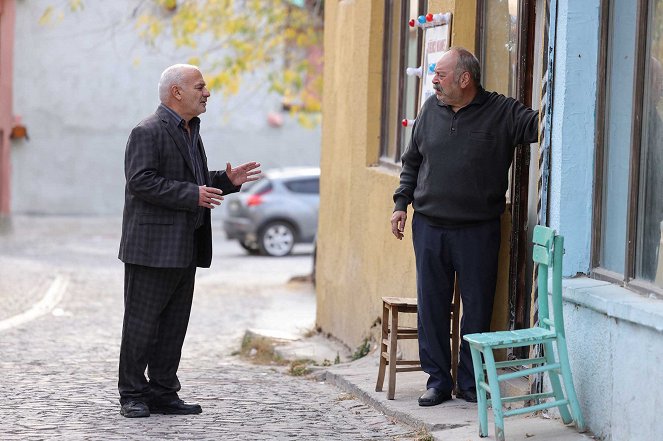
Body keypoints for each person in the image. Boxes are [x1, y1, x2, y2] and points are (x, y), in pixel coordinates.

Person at [391, 48, 538, 406]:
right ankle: (438, 381)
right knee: (432, 305)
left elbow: (544, 125)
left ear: (464, 79)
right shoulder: (430, 109)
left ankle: (470, 382)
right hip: (429, 226)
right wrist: (400, 204)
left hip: (478, 230)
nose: (434, 81)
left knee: (477, 307)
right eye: (434, 75)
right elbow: (412, 162)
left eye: (440, 75)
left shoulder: (503, 112)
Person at [117, 64, 261, 418]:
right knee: (141, 325)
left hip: (185, 245)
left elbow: (194, 182)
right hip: (151, 249)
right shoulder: (147, 131)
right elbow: (141, 181)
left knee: (173, 326)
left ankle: (163, 391)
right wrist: (192, 194)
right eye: (201, 86)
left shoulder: (191, 131)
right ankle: (133, 394)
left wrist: (226, 180)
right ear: (177, 92)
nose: (207, 92)